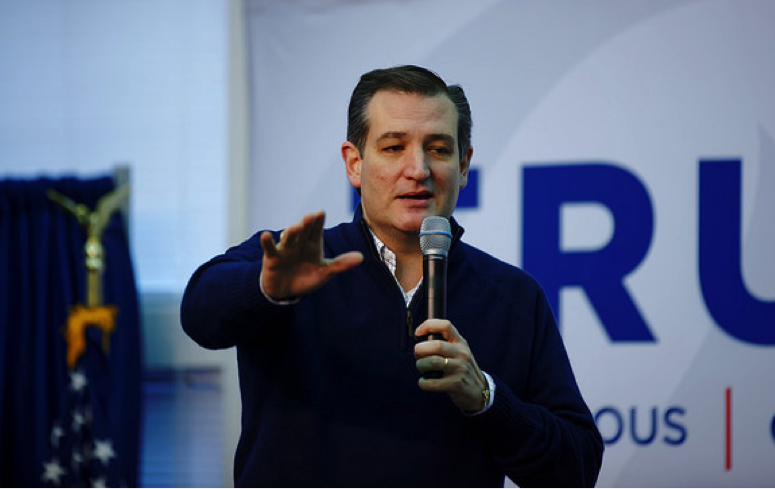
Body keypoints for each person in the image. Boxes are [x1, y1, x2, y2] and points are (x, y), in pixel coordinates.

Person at [181, 65, 604, 488]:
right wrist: (267, 289)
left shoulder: (513, 297)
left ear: (464, 165)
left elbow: (577, 467)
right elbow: (199, 315)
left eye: (438, 149)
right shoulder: (292, 263)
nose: (418, 169)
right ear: (354, 164)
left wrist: (487, 399)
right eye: (393, 147)